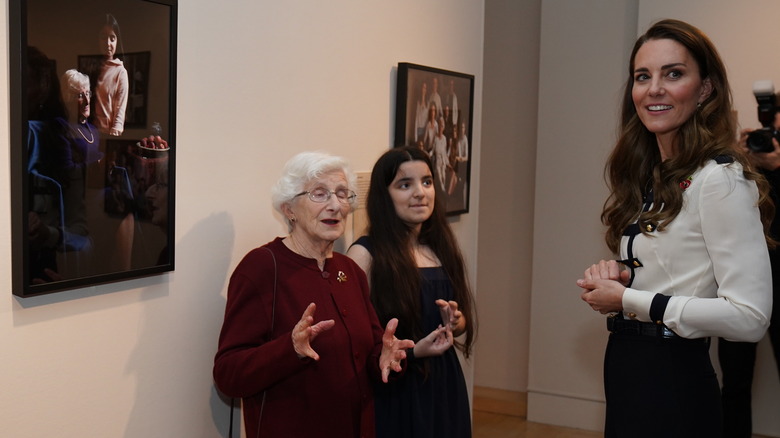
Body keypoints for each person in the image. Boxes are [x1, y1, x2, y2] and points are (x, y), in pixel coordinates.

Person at [574, 19, 774, 438]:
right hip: (629, 367)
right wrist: (624, 276)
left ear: (705, 90)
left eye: (674, 74)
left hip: (673, 378)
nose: (655, 89)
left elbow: (750, 317)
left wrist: (631, 297)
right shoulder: (656, 173)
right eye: (643, 76)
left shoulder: (721, 179)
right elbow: (678, 272)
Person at [213, 151, 415, 438]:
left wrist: (384, 357)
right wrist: (290, 349)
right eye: (320, 194)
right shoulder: (261, 268)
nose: (335, 205)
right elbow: (228, 375)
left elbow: (367, 352)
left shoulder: (350, 270)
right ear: (289, 209)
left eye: (343, 194)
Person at [347, 146, 476, 438]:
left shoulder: (440, 247)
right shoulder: (365, 254)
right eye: (405, 185)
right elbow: (355, 341)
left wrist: (455, 322)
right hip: (395, 389)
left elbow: (462, 322)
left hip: (444, 383)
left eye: (427, 182)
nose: (420, 193)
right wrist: (413, 352)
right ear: (384, 195)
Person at [717, 110, 780, 438]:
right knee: (735, 382)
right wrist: (740, 161)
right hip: (742, 285)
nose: (771, 142)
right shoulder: (744, 168)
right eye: (771, 133)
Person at [94, 13, 128, 137]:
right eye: (103, 37)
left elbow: (120, 105)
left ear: (117, 41)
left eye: (112, 38)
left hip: (107, 134)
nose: (107, 43)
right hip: (89, 131)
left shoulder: (120, 71)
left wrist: (115, 131)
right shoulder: (93, 69)